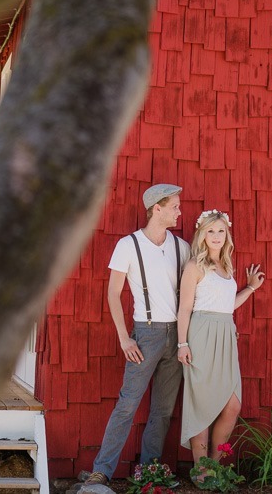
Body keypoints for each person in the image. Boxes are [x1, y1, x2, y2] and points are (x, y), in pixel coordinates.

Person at [85, 183, 190, 485]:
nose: (179, 211)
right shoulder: (128, 245)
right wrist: (124, 338)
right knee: (128, 404)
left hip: (177, 336)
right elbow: (113, 294)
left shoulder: (180, 247)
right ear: (157, 208)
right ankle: (101, 471)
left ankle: (150, 472)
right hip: (145, 335)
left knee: (163, 410)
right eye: (174, 206)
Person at [177, 210, 264, 479]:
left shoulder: (227, 266)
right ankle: (201, 470)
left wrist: (249, 288)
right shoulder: (194, 266)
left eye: (221, 231)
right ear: (202, 235)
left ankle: (214, 466)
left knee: (232, 405)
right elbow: (184, 309)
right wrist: (182, 344)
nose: (216, 236)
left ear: (227, 235)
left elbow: (226, 307)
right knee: (201, 404)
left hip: (226, 335)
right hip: (201, 336)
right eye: (210, 231)